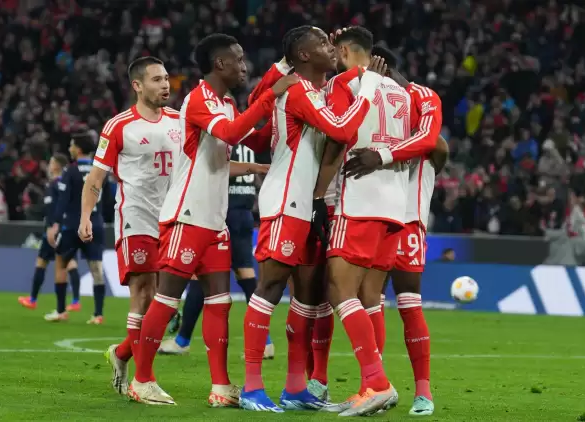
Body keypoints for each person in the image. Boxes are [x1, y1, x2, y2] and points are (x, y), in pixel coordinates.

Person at [126, 33, 297, 406]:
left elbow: (217, 160)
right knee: (167, 299)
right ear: (220, 63)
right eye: (238, 59)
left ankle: (221, 387)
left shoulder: (225, 101)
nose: (243, 66)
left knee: (220, 302)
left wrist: (254, 165)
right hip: (187, 215)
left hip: (213, 221)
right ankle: (141, 379)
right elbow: (233, 132)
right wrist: (273, 92)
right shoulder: (199, 100)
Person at [240, 25, 384, 414]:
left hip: (308, 206)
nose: (330, 48)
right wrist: (369, 86)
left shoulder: (318, 92)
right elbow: (340, 128)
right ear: (303, 56)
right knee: (269, 289)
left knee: (307, 301)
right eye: (321, 43)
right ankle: (251, 387)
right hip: (286, 202)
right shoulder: (299, 90)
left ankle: (295, 388)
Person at [343, 45, 447, 416]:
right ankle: (372, 386)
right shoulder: (364, 98)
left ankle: (424, 393)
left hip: (409, 215)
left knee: (408, 302)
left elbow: (436, 144)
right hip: (376, 211)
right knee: (370, 299)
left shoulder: (419, 96)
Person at [75, 56, 180, 396]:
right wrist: (86, 216)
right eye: (156, 80)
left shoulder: (180, 121)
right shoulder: (119, 125)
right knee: (144, 293)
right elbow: (96, 177)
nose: (165, 85)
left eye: (166, 78)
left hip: (173, 219)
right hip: (135, 217)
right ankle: (144, 381)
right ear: (137, 85)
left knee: (164, 305)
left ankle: (120, 354)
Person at [158, 142, 275, 359]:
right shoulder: (249, 143)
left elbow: (214, 170)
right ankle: (265, 342)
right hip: (245, 212)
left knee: (201, 272)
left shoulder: (223, 140)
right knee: (245, 272)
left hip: (222, 211)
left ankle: (182, 341)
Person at [46, 131, 105, 324]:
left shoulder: (70, 171)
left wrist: (55, 224)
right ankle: (97, 314)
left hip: (73, 225)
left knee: (61, 263)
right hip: (95, 222)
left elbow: (63, 200)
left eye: (72, 145)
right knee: (96, 268)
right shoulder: (100, 169)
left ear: (77, 149)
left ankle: (62, 310)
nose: (70, 148)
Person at [18, 154, 81, 310]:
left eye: (51, 163)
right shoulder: (68, 183)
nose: (48, 165)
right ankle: (75, 300)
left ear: (57, 166)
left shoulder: (54, 184)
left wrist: (52, 226)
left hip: (54, 228)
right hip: (68, 227)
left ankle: (33, 299)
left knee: (42, 261)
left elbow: (52, 208)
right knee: (70, 263)